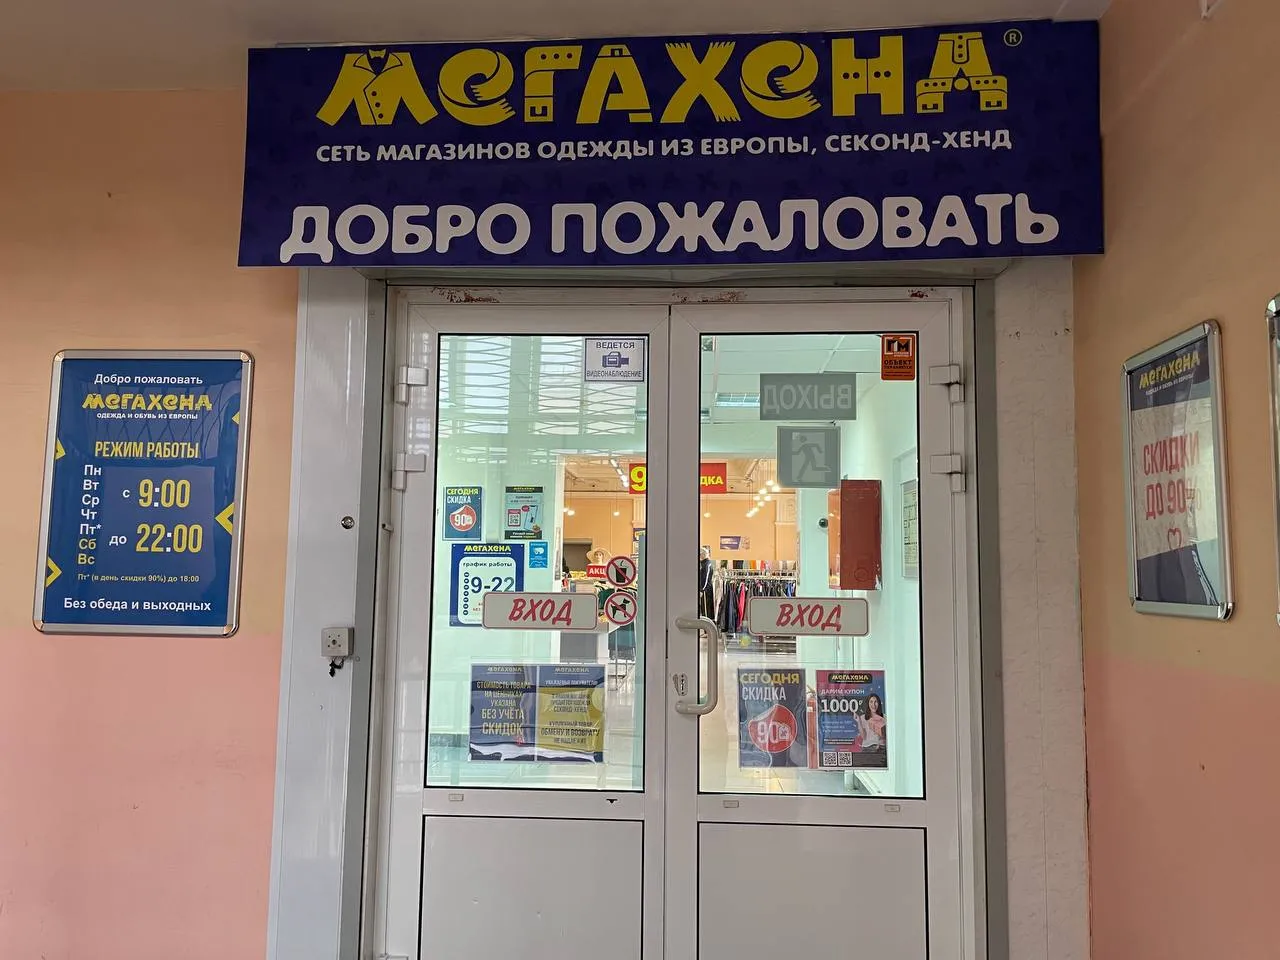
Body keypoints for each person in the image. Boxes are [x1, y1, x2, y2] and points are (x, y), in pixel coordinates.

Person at [698, 546, 715, 618]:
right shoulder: (704, 563)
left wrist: (702, 590)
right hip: (704, 589)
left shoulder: (707, 564)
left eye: (700, 554)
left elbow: (706, 578)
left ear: (703, 554)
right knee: (704, 608)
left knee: (706, 609)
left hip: (706, 590)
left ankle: (707, 623)